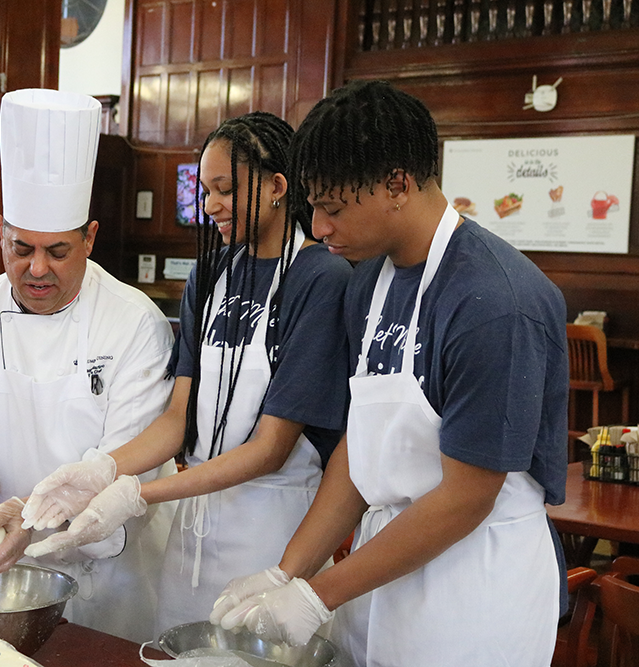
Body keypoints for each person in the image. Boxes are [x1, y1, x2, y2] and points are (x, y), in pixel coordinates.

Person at [213, 81, 569, 667]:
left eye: (331, 208)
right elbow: (365, 447)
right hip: (383, 567)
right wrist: (289, 569)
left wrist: (315, 594)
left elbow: (466, 497)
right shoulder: (367, 283)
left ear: (397, 184)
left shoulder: (496, 302)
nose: (319, 229)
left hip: (473, 581)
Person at [19, 111, 353, 634]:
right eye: (205, 190)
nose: (210, 205)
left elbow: (271, 449)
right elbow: (180, 416)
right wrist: (103, 471)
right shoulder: (212, 273)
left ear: (277, 187)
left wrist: (136, 494)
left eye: (224, 189)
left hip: (274, 532)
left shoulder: (321, 277)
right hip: (192, 537)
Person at [0, 89, 177, 643]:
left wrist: (23, 523)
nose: (36, 269)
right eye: (20, 247)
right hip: (3, 578)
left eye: (58, 251)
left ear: (90, 238)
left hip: (117, 581)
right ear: (1, 230)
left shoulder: (135, 323)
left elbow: (125, 463)